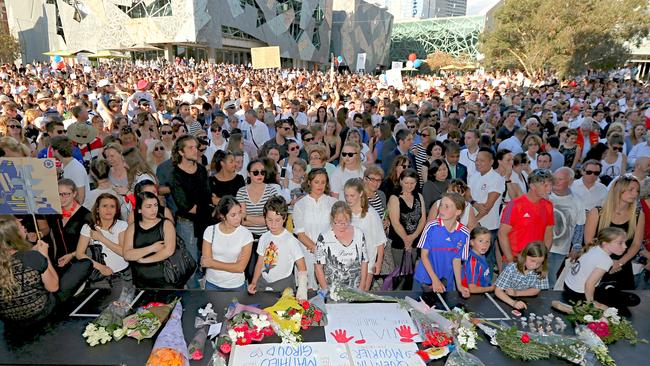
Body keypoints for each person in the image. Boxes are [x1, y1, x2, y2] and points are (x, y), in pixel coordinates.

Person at [0, 216, 91, 325]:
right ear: (14, 235)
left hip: (9, 319)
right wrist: (44, 255)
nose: (24, 227)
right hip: (41, 313)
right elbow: (53, 287)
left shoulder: (24, 256)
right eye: (20, 226)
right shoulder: (32, 257)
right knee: (85, 264)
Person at [584, 175, 644, 290]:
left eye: (637, 190)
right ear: (618, 190)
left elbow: (636, 244)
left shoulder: (638, 215)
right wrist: (608, 261)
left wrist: (620, 262)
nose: (635, 194)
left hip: (622, 267)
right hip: (596, 264)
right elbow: (589, 242)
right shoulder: (597, 212)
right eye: (631, 190)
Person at [563, 227, 640, 314]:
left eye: (625, 243)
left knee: (619, 295)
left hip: (568, 287)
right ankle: (608, 289)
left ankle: (608, 288)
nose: (625, 246)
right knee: (632, 300)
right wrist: (591, 304)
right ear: (605, 244)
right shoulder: (605, 260)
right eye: (620, 243)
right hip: (578, 294)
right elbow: (589, 284)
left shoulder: (594, 247)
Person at [170, 135, 211, 288]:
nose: (196, 150)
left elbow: (207, 195)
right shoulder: (175, 175)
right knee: (191, 263)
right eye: (191, 147)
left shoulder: (200, 169)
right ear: (181, 152)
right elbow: (187, 207)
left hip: (204, 222)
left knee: (204, 258)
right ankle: (194, 297)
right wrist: (205, 206)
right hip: (187, 225)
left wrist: (205, 206)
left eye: (196, 147)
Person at [247, 196, 307, 298]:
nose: (273, 224)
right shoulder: (264, 237)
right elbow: (260, 262)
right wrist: (254, 282)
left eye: (277, 220)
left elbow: (302, 266)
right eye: (269, 220)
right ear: (265, 218)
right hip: (263, 282)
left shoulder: (290, 240)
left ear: (284, 218)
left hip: (283, 284)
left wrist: (302, 290)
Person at [414, 192, 470, 297]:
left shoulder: (464, 233)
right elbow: (424, 255)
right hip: (424, 278)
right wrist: (434, 280)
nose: (441, 209)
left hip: (445, 281)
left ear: (458, 211)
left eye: (447, 206)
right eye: (441, 205)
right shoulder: (431, 226)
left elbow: (456, 260)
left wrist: (459, 285)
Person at [123, 191, 179, 289]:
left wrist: (144, 260)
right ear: (139, 210)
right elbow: (127, 254)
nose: (154, 209)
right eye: (148, 206)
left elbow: (169, 250)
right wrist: (151, 248)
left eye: (155, 205)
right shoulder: (132, 228)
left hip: (166, 280)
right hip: (140, 281)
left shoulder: (166, 224)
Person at [293, 168, 337, 289]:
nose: (320, 185)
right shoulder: (300, 205)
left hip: (329, 253)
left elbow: (337, 228)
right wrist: (317, 250)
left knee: (328, 290)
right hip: (306, 253)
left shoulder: (333, 203)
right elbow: (300, 234)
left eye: (323, 182)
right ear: (309, 182)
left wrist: (325, 251)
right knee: (307, 290)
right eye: (316, 182)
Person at [236, 159, 280, 279]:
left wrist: (248, 217)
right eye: (256, 172)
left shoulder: (271, 190)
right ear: (249, 174)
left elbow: (272, 218)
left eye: (262, 172)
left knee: (267, 272)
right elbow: (242, 220)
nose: (260, 175)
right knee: (249, 272)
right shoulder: (242, 191)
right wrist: (263, 219)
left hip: (267, 237)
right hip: (247, 238)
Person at [499, 169, 555, 263]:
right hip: (516, 260)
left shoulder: (548, 205)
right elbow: (502, 234)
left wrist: (543, 256)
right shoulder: (515, 205)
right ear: (532, 186)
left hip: (536, 260)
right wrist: (510, 259)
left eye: (550, 185)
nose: (549, 189)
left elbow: (548, 234)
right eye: (545, 185)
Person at [75, 193, 129, 287]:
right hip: (98, 275)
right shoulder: (88, 227)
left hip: (123, 275)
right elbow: (79, 254)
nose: (108, 210)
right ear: (97, 209)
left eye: (112, 206)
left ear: (116, 210)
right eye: (104, 206)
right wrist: (101, 267)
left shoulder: (122, 225)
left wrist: (101, 238)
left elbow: (123, 252)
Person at [201, 196, 253, 291]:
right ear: (222, 216)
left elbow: (240, 267)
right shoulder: (210, 231)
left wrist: (212, 263)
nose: (238, 218)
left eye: (239, 212)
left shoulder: (246, 234)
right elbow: (206, 262)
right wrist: (232, 266)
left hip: (236, 285)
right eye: (233, 215)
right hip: (212, 283)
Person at [344, 178, 386, 291]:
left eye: (352, 195)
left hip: (367, 263)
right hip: (347, 262)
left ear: (361, 193)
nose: (348, 199)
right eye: (346, 195)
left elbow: (380, 241)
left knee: (362, 295)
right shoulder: (343, 213)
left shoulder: (371, 214)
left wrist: (378, 262)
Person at [547, 167, 587, 287]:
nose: (556, 181)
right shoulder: (544, 196)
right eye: (554, 178)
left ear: (570, 182)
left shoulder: (577, 201)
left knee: (550, 279)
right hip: (540, 246)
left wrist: (576, 246)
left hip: (560, 249)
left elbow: (579, 226)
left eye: (560, 179)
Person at [314, 201, 368, 290]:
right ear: (332, 218)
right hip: (332, 290)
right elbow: (318, 267)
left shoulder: (359, 233)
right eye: (338, 222)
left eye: (346, 221)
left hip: (355, 289)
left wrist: (362, 285)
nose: (343, 225)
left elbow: (364, 261)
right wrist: (325, 290)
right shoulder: (323, 237)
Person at [468, 148, 505, 270]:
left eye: (482, 161)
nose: (478, 163)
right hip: (473, 225)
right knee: (471, 259)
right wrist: (475, 203)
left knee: (486, 261)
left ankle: (485, 287)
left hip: (488, 226)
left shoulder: (496, 179)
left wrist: (473, 222)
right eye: (477, 160)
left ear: (491, 162)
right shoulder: (474, 176)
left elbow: (488, 207)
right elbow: (467, 194)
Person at [494, 241, 549, 310]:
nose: (535, 265)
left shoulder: (541, 270)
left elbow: (536, 290)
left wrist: (517, 293)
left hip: (527, 300)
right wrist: (513, 303)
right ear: (524, 256)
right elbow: (498, 291)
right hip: (506, 300)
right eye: (532, 260)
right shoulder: (511, 268)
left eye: (539, 263)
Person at [388, 169, 426, 265]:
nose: (409, 186)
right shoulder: (394, 198)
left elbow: (423, 219)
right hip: (399, 243)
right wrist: (406, 240)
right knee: (400, 275)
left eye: (412, 183)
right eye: (406, 183)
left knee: (411, 273)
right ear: (400, 181)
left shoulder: (419, 196)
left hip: (415, 240)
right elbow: (395, 223)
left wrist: (414, 236)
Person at [50, 135, 90, 204]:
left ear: (56, 151)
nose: (50, 150)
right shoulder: (64, 164)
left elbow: (81, 198)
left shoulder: (76, 169)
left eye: (51, 148)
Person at [462, 226, 496, 294]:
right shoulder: (473, 261)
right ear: (472, 242)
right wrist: (491, 288)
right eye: (480, 241)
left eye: (487, 241)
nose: (484, 245)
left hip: (482, 292)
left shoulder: (481, 255)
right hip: (473, 296)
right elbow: (472, 289)